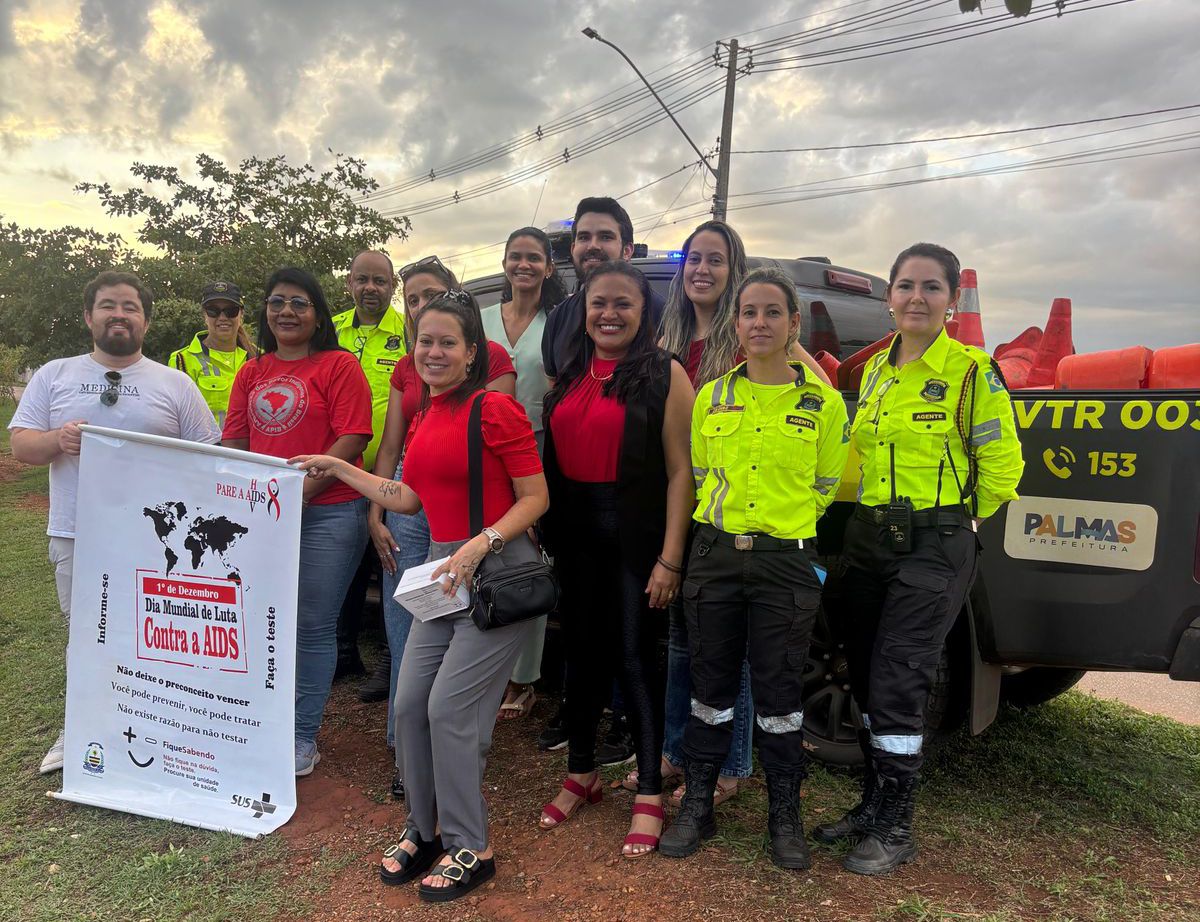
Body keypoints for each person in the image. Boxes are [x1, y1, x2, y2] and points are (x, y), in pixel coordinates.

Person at [292, 289, 548, 903]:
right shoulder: (430, 414)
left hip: (494, 571)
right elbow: (408, 496)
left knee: (449, 712)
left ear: (470, 354)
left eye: (447, 343)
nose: (433, 352)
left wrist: (480, 543)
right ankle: (425, 827)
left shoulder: (495, 411)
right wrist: (338, 467)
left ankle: (472, 844)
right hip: (441, 572)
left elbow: (536, 497)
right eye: (424, 341)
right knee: (408, 706)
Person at [817, 243, 1023, 875]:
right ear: (889, 296)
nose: (915, 297)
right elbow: (859, 459)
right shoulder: (878, 371)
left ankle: (898, 826)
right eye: (905, 285)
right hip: (869, 538)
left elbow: (1002, 466)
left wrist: (957, 520)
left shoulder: (970, 373)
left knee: (903, 679)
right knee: (865, 671)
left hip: (934, 545)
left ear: (951, 302)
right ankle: (872, 806)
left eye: (931, 287)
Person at [659, 267, 849, 870]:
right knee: (709, 690)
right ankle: (699, 807)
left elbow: (822, 487)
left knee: (780, 696)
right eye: (748, 313)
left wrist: (777, 529)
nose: (759, 323)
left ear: (794, 324)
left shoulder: (824, 404)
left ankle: (784, 815)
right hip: (715, 557)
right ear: (735, 324)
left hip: (785, 564)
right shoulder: (713, 396)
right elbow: (701, 472)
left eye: (773, 312)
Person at [9, 270, 222, 775]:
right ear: (89, 316)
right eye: (108, 305)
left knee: (156, 632)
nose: (119, 315)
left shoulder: (174, 384)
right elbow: (21, 444)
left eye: (130, 307)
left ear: (145, 320)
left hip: (158, 542)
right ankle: (79, 728)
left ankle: (159, 726)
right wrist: (58, 440)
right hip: (78, 530)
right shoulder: (54, 375)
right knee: (85, 633)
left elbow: (207, 456)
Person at [537, 261, 694, 857]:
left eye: (623, 303)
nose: (609, 313)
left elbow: (681, 471)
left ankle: (650, 790)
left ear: (644, 312)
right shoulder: (569, 373)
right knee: (580, 656)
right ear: (582, 309)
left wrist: (670, 559)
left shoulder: (664, 373)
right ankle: (582, 774)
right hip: (572, 535)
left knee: (633, 658)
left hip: (636, 537)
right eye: (598, 302)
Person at [369, 257, 515, 799]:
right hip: (418, 496)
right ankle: (408, 756)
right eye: (412, 300)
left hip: (471, 512)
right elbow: (395, 450)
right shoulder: (414, 370)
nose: (421, 308)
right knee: (408, 620)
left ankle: (455, 765)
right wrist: (373, 507)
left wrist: (485, 540)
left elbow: (497, 453)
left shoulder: (486, 372)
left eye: (432, 295)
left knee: (464, 647)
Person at [222, 267, 373, 777]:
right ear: (265, 311)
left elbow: (352, 438)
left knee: (311, 627)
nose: (287, 311)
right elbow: (236, 444)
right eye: (277, 301)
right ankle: (258, 723)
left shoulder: (338, 365)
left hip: (329, 515)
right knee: (261, 624)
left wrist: (296, 497)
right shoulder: (251, 371)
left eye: (300, 303)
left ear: (318, 314)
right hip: (262, 519)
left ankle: (301, 736)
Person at [481, 227, 567, 721]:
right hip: (481, 452)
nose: (524, 265)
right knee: (485, 553)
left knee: (527, 556)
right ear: (505, 263)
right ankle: (487, 668)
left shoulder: (556, 323)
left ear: (548, 267)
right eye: (515, 256)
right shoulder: (481, 318)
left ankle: (525, 676)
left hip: (536, 450)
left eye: (534, 258)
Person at [331, 249, 406, 685]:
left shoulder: (410, 330)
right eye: (362, 279)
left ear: (392, 286)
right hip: (340, 465)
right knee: (349, 560)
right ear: (349, 283)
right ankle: (343, 649)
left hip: (392, 469)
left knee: (390, 560)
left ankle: (387, 657)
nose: (370, 288)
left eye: (379, 281)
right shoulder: (330, 330)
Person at [540, 196, 666, 380]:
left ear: (627, 250)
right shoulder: (557, 319)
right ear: (573, 248)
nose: (593, 245)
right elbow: (554, 391)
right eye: (584, 237)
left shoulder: (660, 314)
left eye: (605, 237)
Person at [168, 280, 255, 427]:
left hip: (252, 449)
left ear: (241, 315)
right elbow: (175, 419)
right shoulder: (182, 360)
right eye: (213, 311)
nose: (222, 317)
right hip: (207, 448)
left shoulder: (260, 358)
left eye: (231, 311)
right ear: (204, 315)